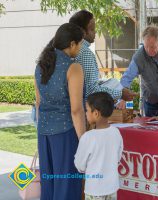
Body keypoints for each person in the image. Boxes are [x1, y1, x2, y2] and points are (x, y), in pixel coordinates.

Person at [34, 23, 86, 200]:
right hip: (66, 134)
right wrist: (84, 140)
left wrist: (42, 130)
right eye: (81, 44)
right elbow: (77, 110)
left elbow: (39, 103)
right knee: (67, 186)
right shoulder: (74, 67)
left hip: (44, 134)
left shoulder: (40, 65)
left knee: (49, 185)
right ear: (72, 44)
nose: (81, 48)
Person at [69, 10, 136, 105]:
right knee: (114, 84)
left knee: (113, 82)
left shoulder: (71, 49)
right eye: (92, 29)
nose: (95, 32)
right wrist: (120, 94)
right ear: (83, 32)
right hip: (85, 108)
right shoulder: (85, 53)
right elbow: (91, 91)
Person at [74, 92, 123, 200]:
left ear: (96, 113)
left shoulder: (87, 137)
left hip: (94, 190)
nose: (86, 113)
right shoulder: (116, 132)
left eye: (87, 110)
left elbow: (80, 165)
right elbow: (118, 158)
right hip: (112, 188)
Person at [120, 25, 158, 117]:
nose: (149, 50)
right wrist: (122, 96)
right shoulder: (139, 56)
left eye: (153, 47)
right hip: (151, 102)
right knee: (152, 129)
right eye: (146, 46)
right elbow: (127, 77)